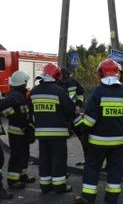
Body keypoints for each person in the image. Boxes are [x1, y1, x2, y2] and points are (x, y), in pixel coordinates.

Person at [74, 59, 123, 204]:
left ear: (100, 74)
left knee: (92, 168)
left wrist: (83, 131)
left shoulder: (98, 92)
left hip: (97, 141)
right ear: (118, 74)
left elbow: (89, 120)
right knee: (115, 168)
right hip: (119, 141)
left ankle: (88, 198)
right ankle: (112, 197)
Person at [29, 63, 76, 194]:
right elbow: (70, 110)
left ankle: (45, 185)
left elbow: (29, 111)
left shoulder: (34, 91)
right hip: (58, 133)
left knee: (44, 158)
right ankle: (59, 186)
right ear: (56, 76)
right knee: (58, 158)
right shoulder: (59, 91)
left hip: (41, 133)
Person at [0, 70, 35, 189]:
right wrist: (13, 115)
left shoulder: (20, 95)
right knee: (17, 155)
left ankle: (22, 175)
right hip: (16, 132)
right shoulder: (14, 96)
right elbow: (3, 105)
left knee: (25, 154)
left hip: (23, 130)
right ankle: (13, 180)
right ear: (23, 83)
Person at [60, 67, 87, 162]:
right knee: (60, 142)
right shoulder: (56, 83)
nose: (64, 80)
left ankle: (88, 160)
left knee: (83, 137)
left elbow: (80, 93)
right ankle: (60, 165)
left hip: (75, 114)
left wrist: (78, 105)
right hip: (62, 116)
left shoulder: (73, 82)